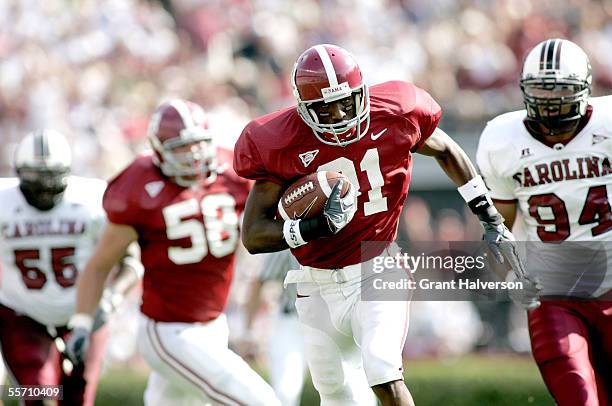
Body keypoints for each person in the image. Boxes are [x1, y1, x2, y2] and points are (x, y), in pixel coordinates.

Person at [234, 44, 532, 406]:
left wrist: (489, 216)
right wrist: (314, 228)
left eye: (346, 101)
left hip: (377, 266)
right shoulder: (277, 142)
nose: (340, 114)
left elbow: (446, 149)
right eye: (324, 108)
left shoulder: (395, 110)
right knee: (336, 394)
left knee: (383, 372)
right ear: (302, 108)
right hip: (315, 282)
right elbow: (252, 235)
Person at [66, 99, 280, 406]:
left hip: (214, 323)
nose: (192, 154)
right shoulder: (139, 186)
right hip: (168, 331)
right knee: (258, 400)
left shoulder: (232, 172)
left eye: (197, 144)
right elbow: (101, 263)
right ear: (158, 151)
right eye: (181, 147)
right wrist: (82, 322)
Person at [477, 38, 612, 406]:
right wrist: (509, 276)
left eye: (561, 92)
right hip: (554, 293)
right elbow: (497, 227)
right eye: (541, 91)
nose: (550, 103)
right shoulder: (502, 138)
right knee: (579, 398)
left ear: (585, 89)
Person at [0, 129, 141, 406]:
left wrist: (109, 303)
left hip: (85, 313)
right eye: (35, 182)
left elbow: (131, 262)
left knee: (78, 400)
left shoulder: (92, 200)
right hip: (22, 313)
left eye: (51, 180)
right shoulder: (4, 202)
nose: (43, 190)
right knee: (38, 395)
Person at [242, 249, 307, 406]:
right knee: (285, 392)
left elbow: (375, 259)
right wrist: (248, 332)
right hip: (292, 320)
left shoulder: (371, 232)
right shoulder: (290, 239)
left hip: (339, 321)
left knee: (350, 388)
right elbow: (259, 280)